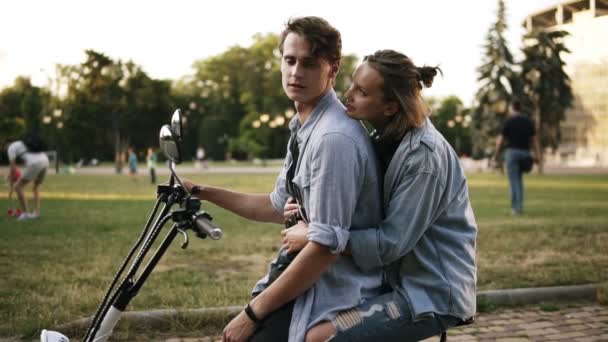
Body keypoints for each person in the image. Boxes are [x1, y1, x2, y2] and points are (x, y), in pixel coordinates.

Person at [183, 16, 383, 342]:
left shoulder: (333, 139)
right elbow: (275, 206)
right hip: (306, 283)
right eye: (289, 60)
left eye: (309, 63)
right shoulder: (306, 127)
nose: (295, 72)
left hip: (330, 295)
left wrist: (251, 314)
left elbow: (324, 249)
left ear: (333, 69)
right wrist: (201, 191)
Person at [282, 50, 478, 341]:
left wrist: (316, 235)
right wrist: (304, 207)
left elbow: (390, 243)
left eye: (361, 92)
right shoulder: (381, 140)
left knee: (318, 337)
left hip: (428, 293)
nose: (347, 95)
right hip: (389, 279)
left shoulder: (424, 159)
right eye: (352, 85)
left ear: (389, 107)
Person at [495, 100, 540, 215]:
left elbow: (500, 140)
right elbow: (534, 140)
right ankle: (519, 206)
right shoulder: (528, 121)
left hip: (512, 153)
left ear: (512, 108)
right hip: (525, 153)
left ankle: (516, 209)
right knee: (519, 181)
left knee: (513, 181)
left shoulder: (509, 121)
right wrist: (537, 154)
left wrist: (497, 154)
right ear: (520, 108)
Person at [7, 134, 50, 221]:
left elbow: (13, 169)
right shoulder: (24, 142)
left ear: (6, 144)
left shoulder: (10, 148)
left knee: (18, 187)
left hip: (35, 163)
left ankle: (26, 214)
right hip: (45, 160)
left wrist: (11, 186)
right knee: (36, 186)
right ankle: (36, 213)